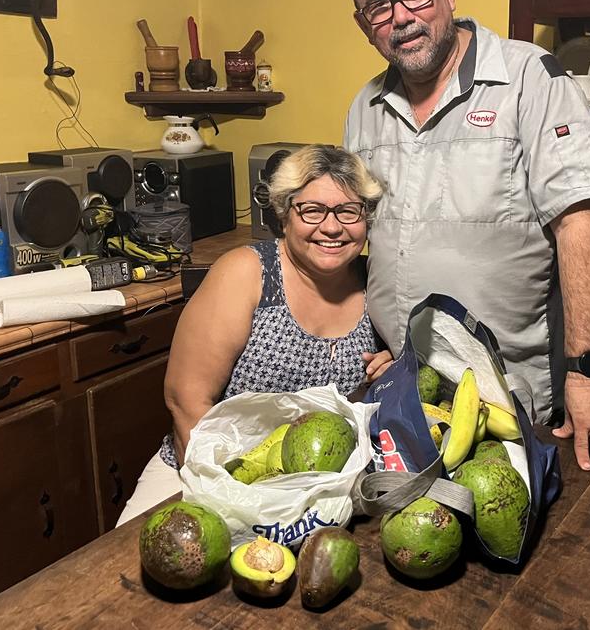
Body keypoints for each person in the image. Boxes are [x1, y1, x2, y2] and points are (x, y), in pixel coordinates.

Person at [344, 0, 590, 474]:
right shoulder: (365, 107)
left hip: (514, 397)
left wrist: (588, 372)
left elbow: (580, 222)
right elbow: (371, 243)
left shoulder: (530, 78)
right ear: (365, 24)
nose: (401, 16)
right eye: (379, 6)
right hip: (408, 391)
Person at [116, 145, 392, 525]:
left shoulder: (374, 283)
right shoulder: (248, 273)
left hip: (321, 490)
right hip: (205, 473)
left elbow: (356, 405)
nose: (331, 227)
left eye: (349, 211)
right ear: (283, 213)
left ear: (366, 218)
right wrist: (233, 495)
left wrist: (386, 374)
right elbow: (186, 398)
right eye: (312, 210)